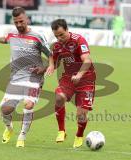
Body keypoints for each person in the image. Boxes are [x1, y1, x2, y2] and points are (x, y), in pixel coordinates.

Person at [0, 7, 54, 148]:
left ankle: (22, 137)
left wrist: (47, 67)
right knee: (5, 110)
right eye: (16, 22)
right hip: (16, 78)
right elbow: (5, 40)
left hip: (34, 78)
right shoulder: (12, 35)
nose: (19, 25)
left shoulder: (37, 36)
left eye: (21, 21)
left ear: (27, 19)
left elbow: (51, 55)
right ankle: (9, 128)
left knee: (28, 104)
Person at [51, 19, 96, 148]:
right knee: (59, 97)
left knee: (81, 115)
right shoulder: (57, 46)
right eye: (56, 36)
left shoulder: (79, 40)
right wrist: (44, 68)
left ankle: (79, 135)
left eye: (62, 35)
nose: (60, 38)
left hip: (86, 78)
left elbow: (87, 60)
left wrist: (80, 74)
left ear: (67, 29)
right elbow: (54, 63)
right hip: (69, 78)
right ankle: (61, 131)